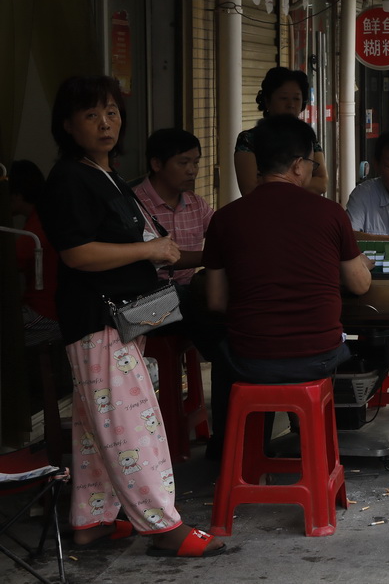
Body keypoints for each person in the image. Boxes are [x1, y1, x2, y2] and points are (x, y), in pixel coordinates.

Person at [37, 75, 226, 558]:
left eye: (112, 113)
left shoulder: (106, 175)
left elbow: (150, 249)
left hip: (124, 320)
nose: (105, 123)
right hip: (99, 323)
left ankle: (92, 522)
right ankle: (163, 527)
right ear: (67, 125)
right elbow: (78, 254)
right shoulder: (68, 179)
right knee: (132, 427)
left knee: (94, 430)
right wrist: (146, 249)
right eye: (91, 115)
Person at [202, 115, 373, 448]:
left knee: (225, 351)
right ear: (298, 165)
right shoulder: (330, 213)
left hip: (250, 357)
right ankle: (312, 451)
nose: (311, 171)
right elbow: (359, 285)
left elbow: (216, 302)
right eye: (310, 163)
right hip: (319, 355)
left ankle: (236, 452)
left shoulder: (225, 219)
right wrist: (359, 264)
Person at [131, 129, 213, 286]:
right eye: (183, 163)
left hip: (190, 289)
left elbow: (221, 231)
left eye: (196, 163)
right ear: (156, 164)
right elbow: (164, 256)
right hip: (151, 294)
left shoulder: (196, 203)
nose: (192, 171)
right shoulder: (136, 204)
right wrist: (216, 256)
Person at [234, 66, 327, 196]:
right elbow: (249, 189)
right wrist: (301, 183)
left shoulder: (307, 138)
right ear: (267, 101)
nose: (291, 104)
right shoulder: (249, 139)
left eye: (296, 98)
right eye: (283, 98)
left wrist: (271, 183)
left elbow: (322, 183)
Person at [9, 159, 58, 321]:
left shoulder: (36, 228)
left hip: (44, 311)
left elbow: (11, 263)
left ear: (16, 196)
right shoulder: (45, 215)